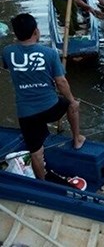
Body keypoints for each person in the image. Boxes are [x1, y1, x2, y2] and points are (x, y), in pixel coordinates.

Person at [1, 13, 85, 180]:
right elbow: (61, 82)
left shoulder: (7, 51)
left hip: (26, 114)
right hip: (50, 108)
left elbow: (6, 67)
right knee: (71, 104)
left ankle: (43, 183)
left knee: (36, 152)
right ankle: (77, 139)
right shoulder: (49, 53)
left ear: (16, 33)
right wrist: (71, 99)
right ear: (36, 32)